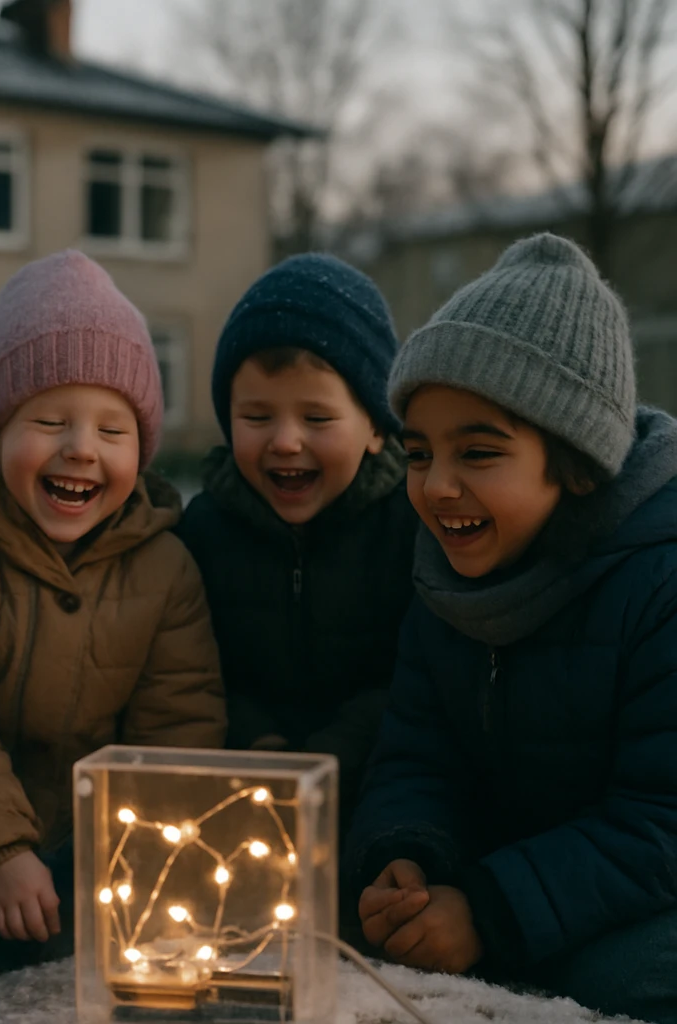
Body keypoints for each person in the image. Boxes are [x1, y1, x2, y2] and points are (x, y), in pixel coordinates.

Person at [346, 233, 677, 1024]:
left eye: (479, 452)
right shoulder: (443, 579)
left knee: (614, 981)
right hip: (514, 886)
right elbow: (416, 753)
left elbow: (662, 822)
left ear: (576, 464)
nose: (437, 486)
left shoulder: (659, 583)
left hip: (642, 897)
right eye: (419, 453)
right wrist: (407, 856)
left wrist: (491, 911)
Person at [0, 250, 226, 974]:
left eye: (113, 431)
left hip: (104, 855)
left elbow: (177, 728)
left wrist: (146, 860)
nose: (80, 449)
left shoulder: (165, 567)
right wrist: (1, 852)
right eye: (49, 421)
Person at [176, 254, 416, 831]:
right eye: (257, 417)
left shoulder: (409, 526)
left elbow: (414, 676)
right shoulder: (205, 528)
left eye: (317, 418)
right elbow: (190, 670)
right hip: (243, 798)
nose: (285, 441)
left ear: (376, 427)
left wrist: (325, 760)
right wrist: (259, 744)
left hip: (380, 795)